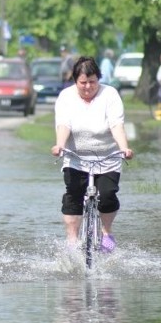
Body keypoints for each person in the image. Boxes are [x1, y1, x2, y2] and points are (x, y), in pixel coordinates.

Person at [50, 56, 134, 253]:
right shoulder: (66, 97)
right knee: (73, 197)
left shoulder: (110, 94)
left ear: (99, 79)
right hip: (76, 157)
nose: (88, 87)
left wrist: (124, 147)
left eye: (92, 82)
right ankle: (72, 241)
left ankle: (106, 232)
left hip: (107, 157)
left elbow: (116, 124)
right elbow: (64, 124)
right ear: (75, 81)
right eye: (83, 82)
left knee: (107, 195)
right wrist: (59, 145)